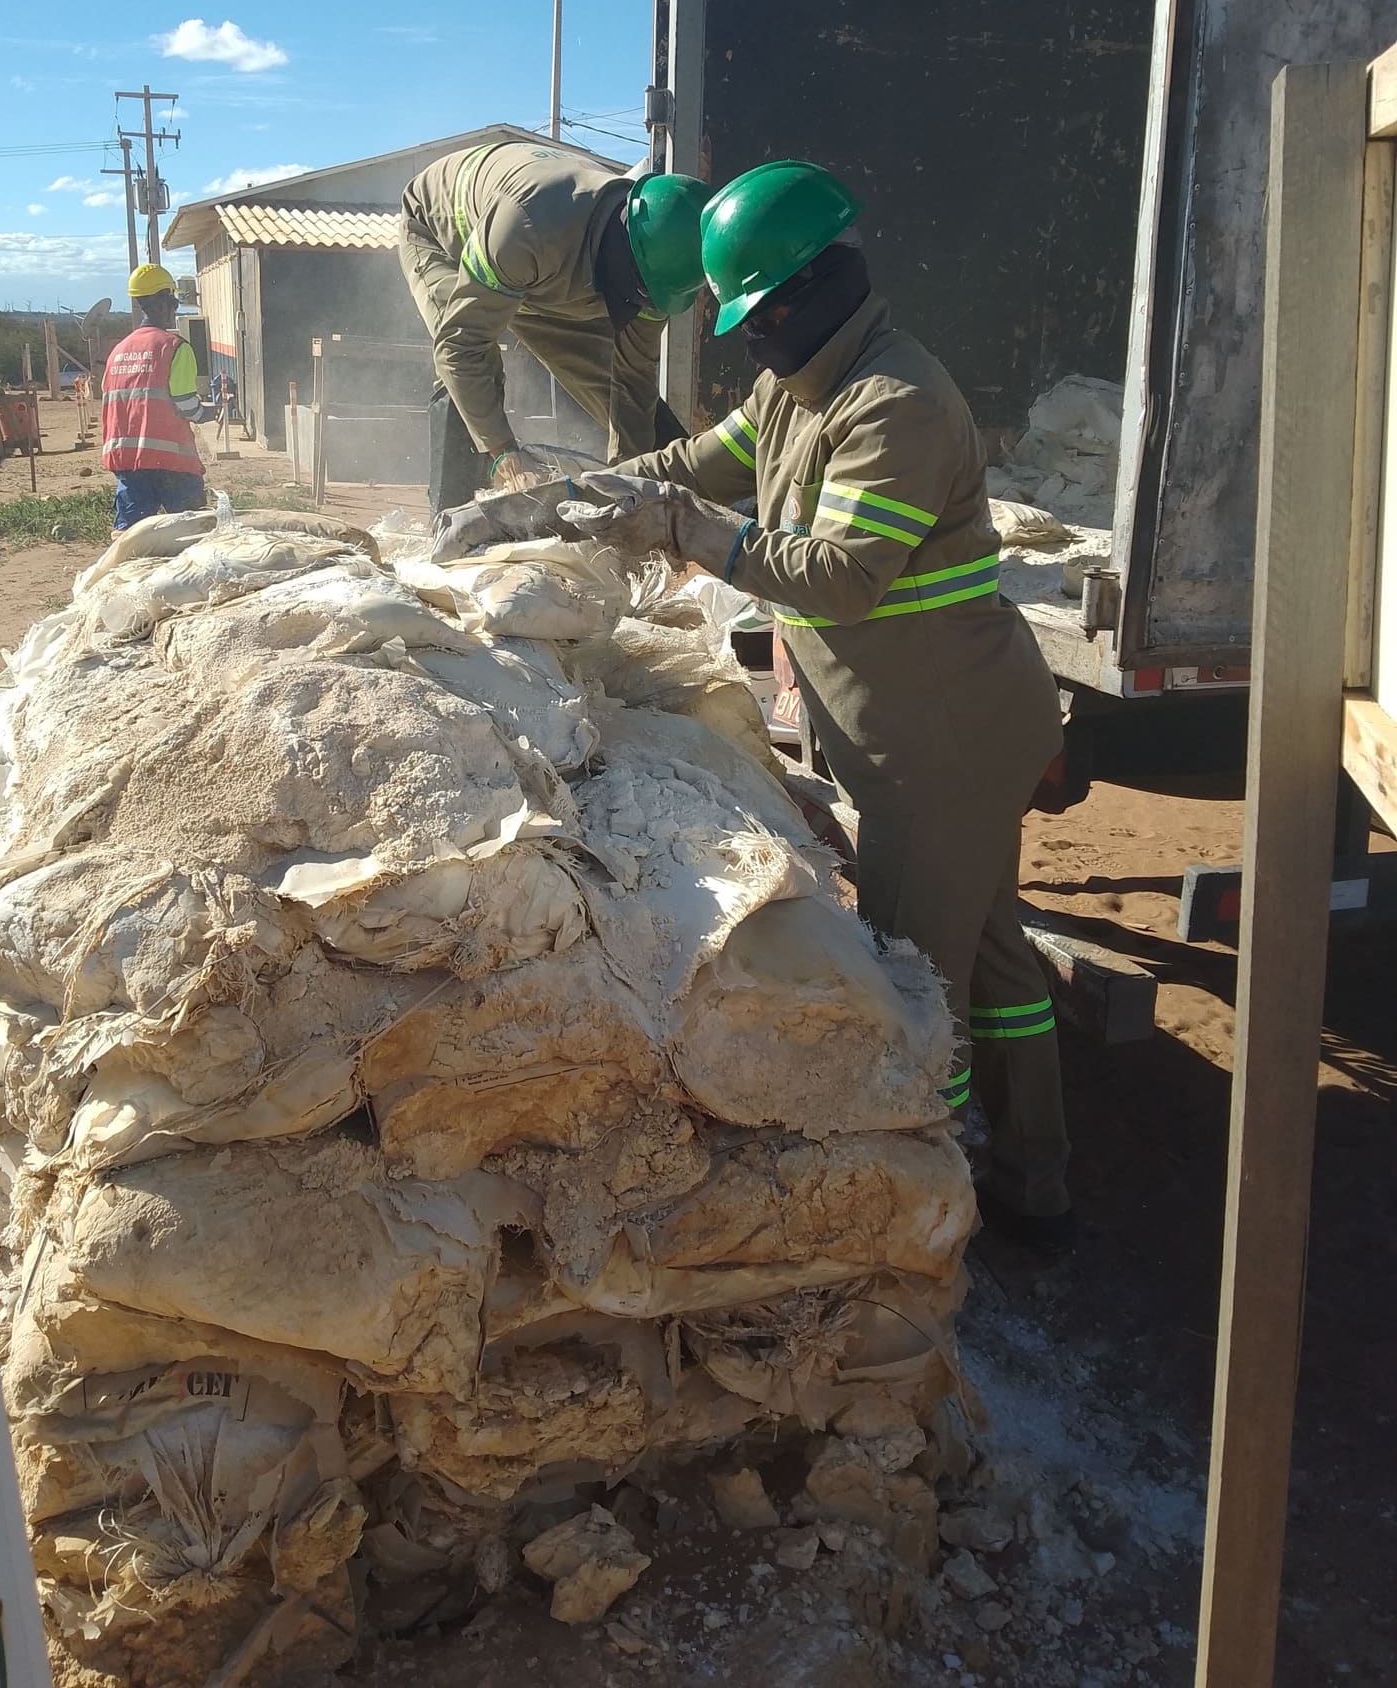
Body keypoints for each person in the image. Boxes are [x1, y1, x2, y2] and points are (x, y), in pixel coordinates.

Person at [550, 161, 1073, 1246]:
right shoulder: (803, 387)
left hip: (945, 745)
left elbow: (842, 573)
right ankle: (1033, 1174)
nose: (747, 337)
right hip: (920, 725)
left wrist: (690, 532)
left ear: (809, 292)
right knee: (992, 954)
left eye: (756, 313)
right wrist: (600, 494)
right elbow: (707, 461)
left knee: (909, 977)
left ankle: (922, 1196)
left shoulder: (897, 402)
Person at [397, 138, 711, 515]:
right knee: (473, 368)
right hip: (440, 231)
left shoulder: (659, 271)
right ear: (622, 254)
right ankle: (451, 525)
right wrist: (503, 453)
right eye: (637, 294)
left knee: (611, 383)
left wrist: (632, 487)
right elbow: (460, 349)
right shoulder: (526, 227)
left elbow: (633, 381)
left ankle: (692, 501)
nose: (640, 308)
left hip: (537, 262)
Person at [100, 265, 208, 530]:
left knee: (130, 542)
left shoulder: (118, 351)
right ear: (162, 302)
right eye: (173, 300)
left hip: (128, 462)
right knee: (192, 536)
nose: (175, 308)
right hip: (172, 463)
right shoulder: (174, 347)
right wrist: (207, 413)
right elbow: (186, 404)